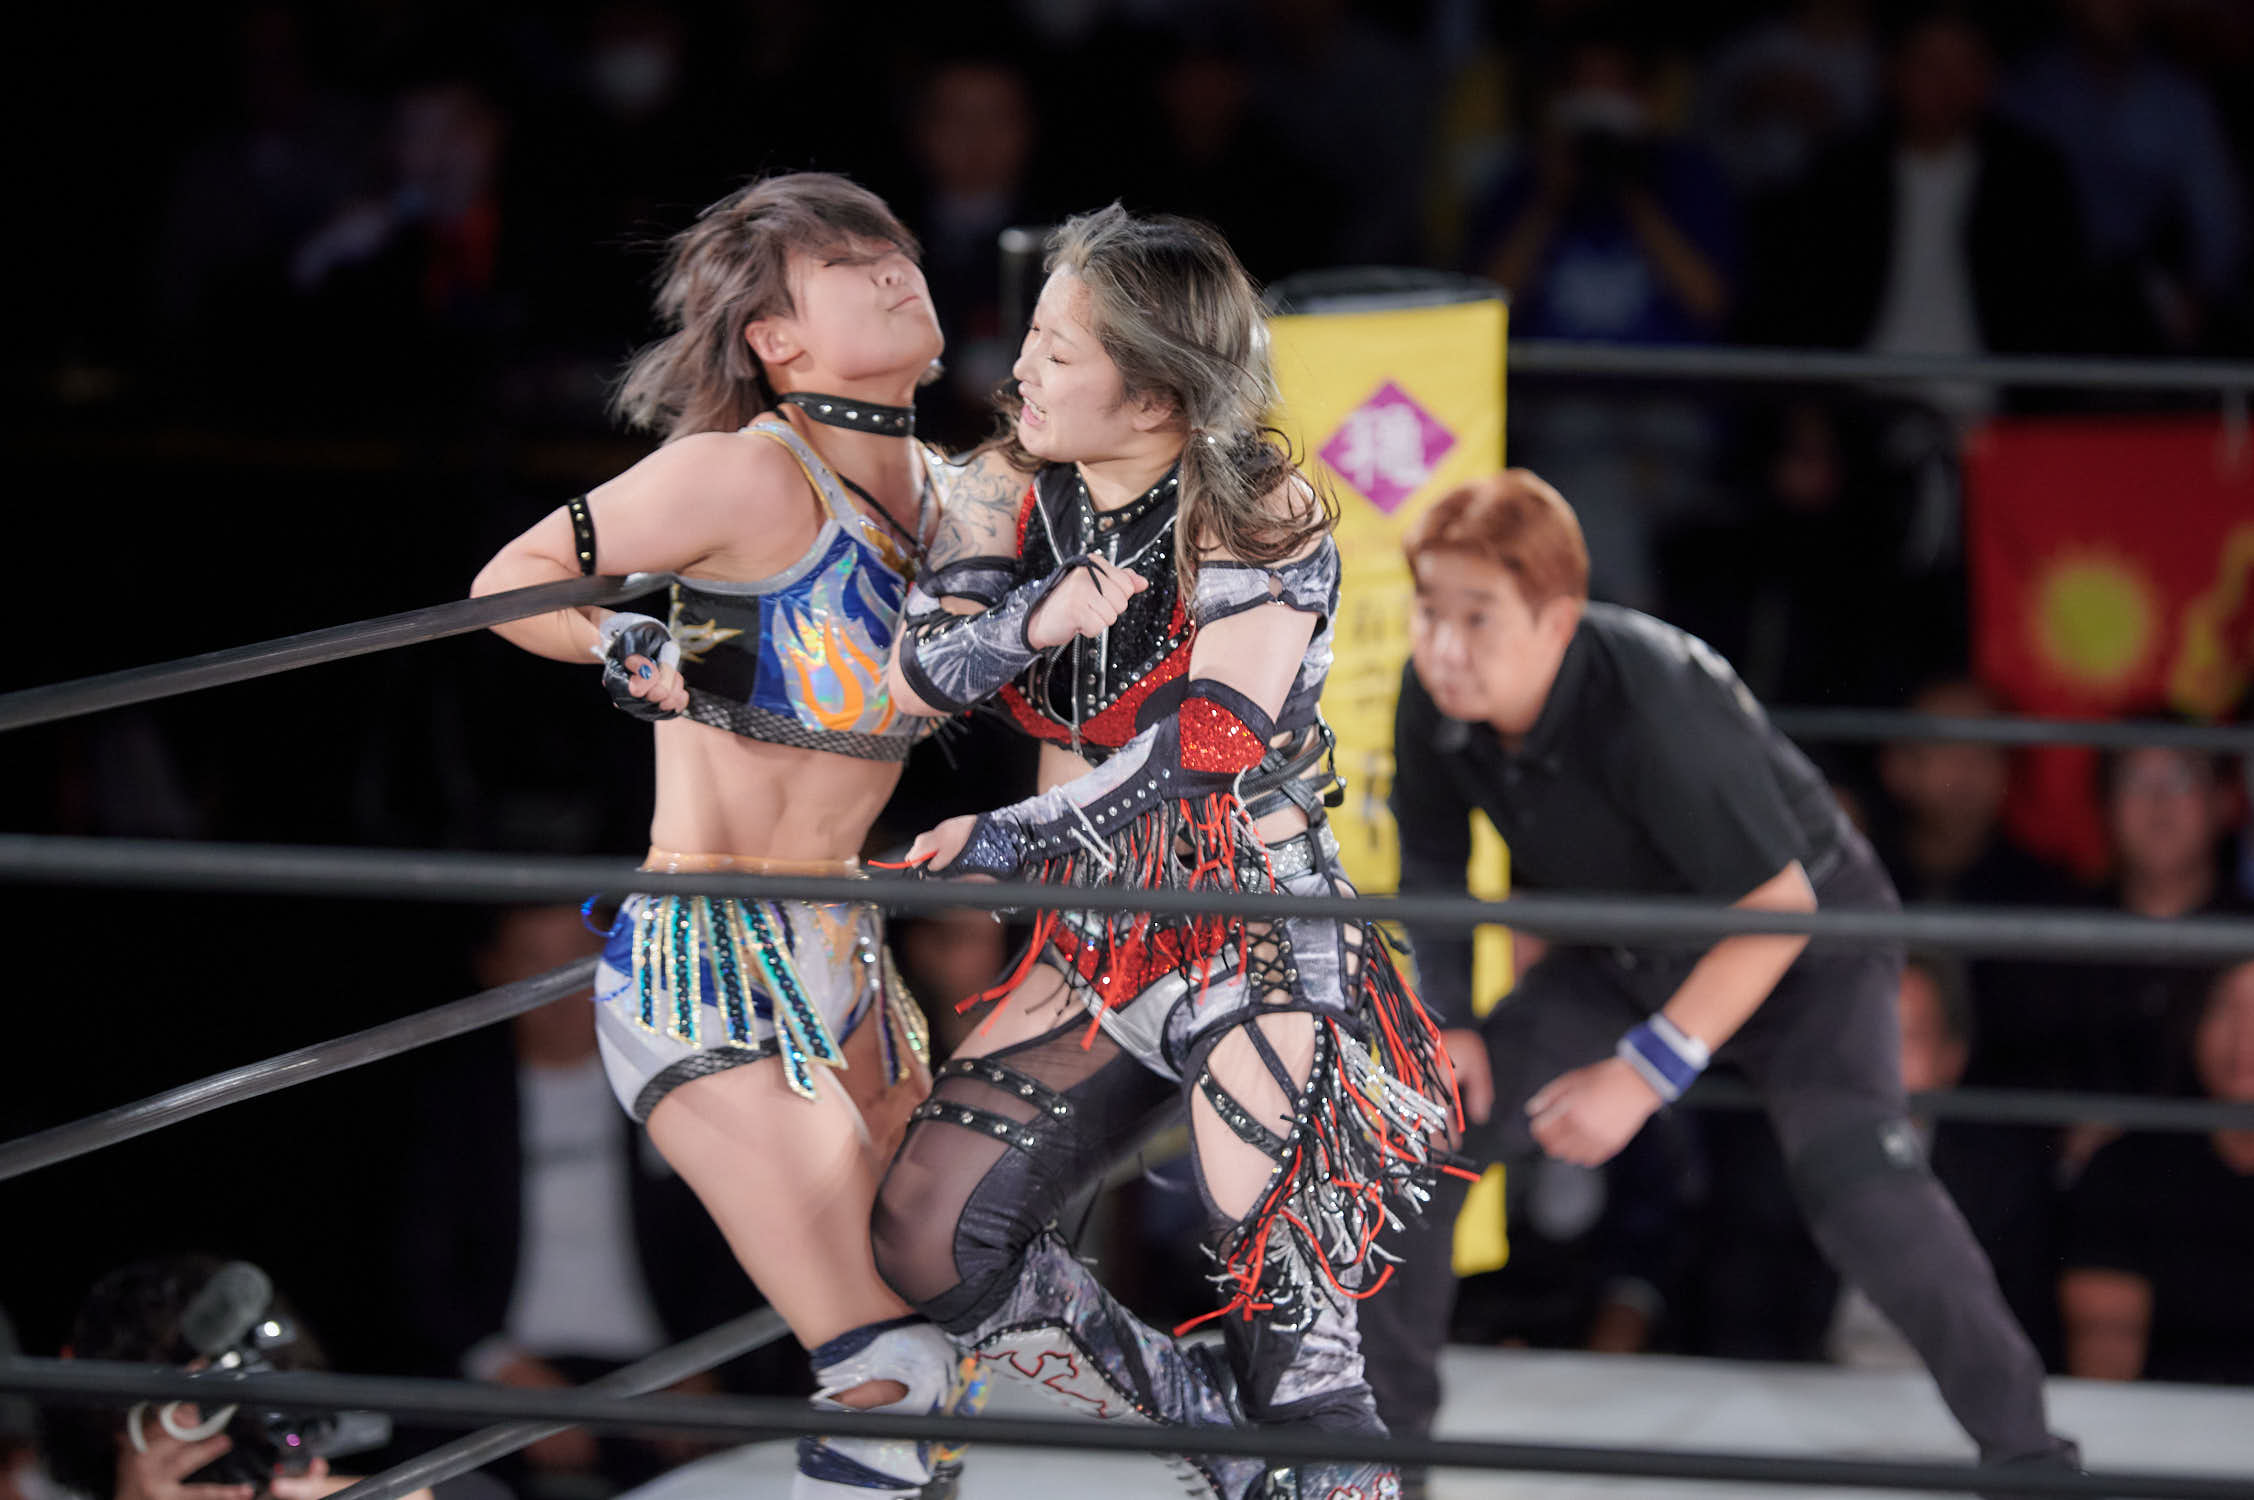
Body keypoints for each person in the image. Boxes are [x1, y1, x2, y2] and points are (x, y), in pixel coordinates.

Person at [867, 205, 1457, 1500]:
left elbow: (1212, 741)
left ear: (1151, 397)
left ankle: (1310, 1462)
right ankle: (1199, 1429)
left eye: (1058, 349)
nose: (1021, 367)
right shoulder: (998, 486)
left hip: (1249, 921)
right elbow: (921, 670)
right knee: (927, 1234)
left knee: (1289, 1320)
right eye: (1030, 335)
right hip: (1091, 935)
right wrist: (1037, 617)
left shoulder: (1254, 504)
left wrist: (1010, 831)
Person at [1359, 470, 2077, 1482]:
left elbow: (1779, 909)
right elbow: (1432, 863)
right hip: (1627, 948)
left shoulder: (1654, 699)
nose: (1442, 644)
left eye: (1476, 617)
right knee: (1420, 1127)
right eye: (1429, 609)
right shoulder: (1432, 699)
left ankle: (2032, 1458)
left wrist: (1642, 1074)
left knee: (1863, 1192)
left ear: (1556, 618)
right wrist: (1448, 1020)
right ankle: (1378, 1464)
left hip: (1808, 949)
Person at [469, 172, 960, 1499]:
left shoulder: (953, 497)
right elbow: (509, 580)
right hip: (709, 961)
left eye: (896, 250)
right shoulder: (740, 474)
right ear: (773, 339)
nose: (892, 271)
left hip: (848, 952)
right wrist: (615, 637)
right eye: (846, 263)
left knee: (949, 1317)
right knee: (889, 1365)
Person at [2061, 958, 2254, 1385]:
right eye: (2225, 1008)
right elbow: (2105, 1375)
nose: (2246, 1037)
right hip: (2162, 1421)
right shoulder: (2125, 1170)